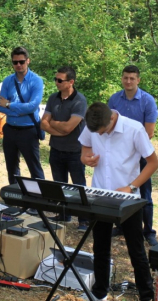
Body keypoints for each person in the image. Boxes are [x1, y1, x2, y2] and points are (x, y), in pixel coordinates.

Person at [79, 102, 157, 301]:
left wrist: (131, 186)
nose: (100, 135)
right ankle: (100, 292)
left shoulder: (134, 129)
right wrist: (86, 158)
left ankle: (146, 295)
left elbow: (153, 162)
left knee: (136, 249)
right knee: (100, 247)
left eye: (103, 131)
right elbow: (85, 148)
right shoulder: (93, 124)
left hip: (127, 198)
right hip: (99, 195)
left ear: (112, 119)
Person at [108, 65, 158, 246]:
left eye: (132, 78)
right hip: (120, 156)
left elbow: (149, 132)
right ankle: (121, 225)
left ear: (138, 80)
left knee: (144, 194)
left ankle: (148, 231)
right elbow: (108, 127)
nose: (128, 81)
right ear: (121, 79)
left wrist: (133, 149)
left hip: (142, 155)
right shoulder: (114, 99)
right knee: (120, 190)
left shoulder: (147, 101)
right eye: (125, 78)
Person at [41, 66, 88, 231]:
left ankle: (83, 220)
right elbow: (43, 122)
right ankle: (63, 213)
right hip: (56, 149)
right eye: (56, 79)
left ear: (71, 82)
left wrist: (52, 123)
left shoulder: (79, 101)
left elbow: (68, 127)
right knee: (59, 185)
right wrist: (58, 129)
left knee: (78, 186)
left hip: (75, 151)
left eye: (60, 80)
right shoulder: (53, 98)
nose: (56, 83)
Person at [0, 46, 45, 187]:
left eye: (21, 62)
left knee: (34, 168)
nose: (18, 65)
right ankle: (16, 196)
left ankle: (38, 201)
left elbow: (32, 106)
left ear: (28, 61)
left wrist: (9, 105)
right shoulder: (7, 81)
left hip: (28, 131)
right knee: (11, 168)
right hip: (10, 129)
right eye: (15, 62)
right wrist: (20, 110)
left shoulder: (36, 81)